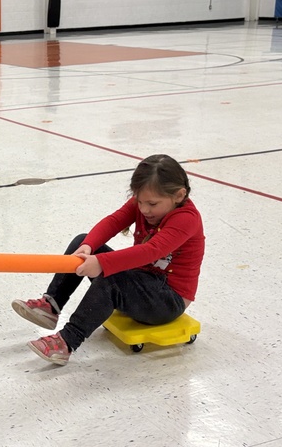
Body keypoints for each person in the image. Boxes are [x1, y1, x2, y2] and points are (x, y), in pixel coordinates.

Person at [12, 154, 205, 366]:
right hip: (140, 279)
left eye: (152, 203)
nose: (144, 209)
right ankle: (52, 305)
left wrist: (102, 263)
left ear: (179, 195)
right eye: (139, 201)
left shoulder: (186, 219)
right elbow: (113, 221)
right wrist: (88, 246)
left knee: (112, 279)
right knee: (82, 241)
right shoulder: (147, 204)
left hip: (168, 300)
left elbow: (151, 251)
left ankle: (67, 341)